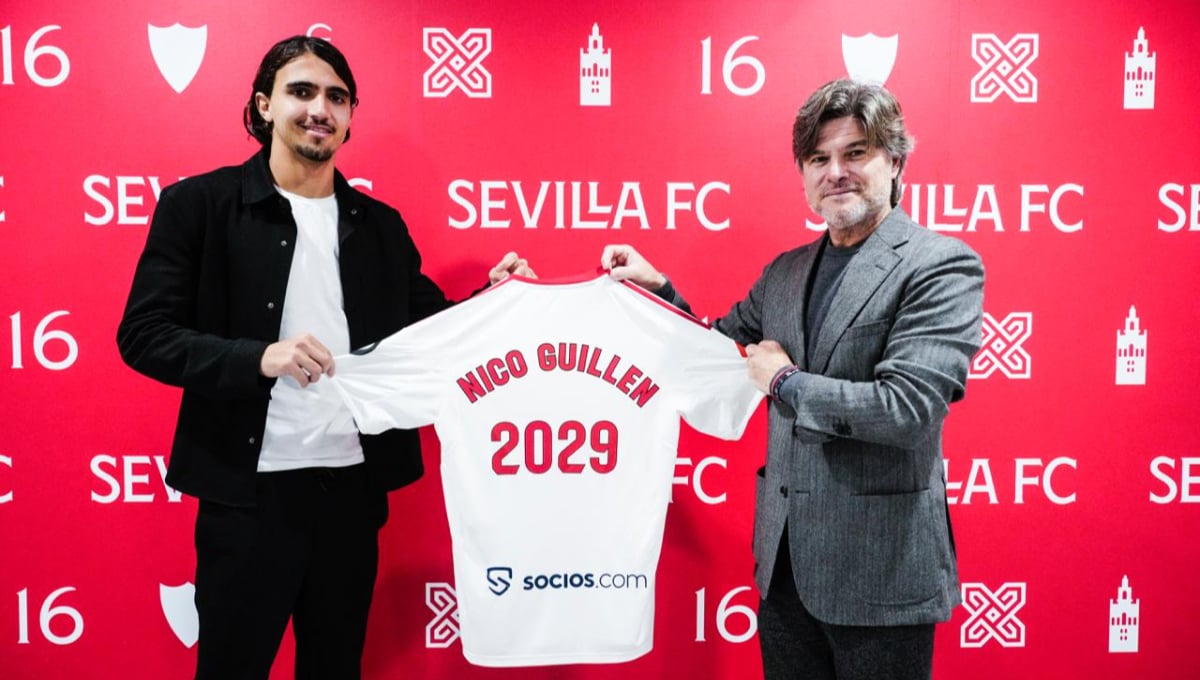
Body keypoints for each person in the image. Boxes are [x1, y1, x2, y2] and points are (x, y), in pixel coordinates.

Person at [116, 35, 531, 680]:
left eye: (337, 97)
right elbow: (144, 334)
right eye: (302, 92)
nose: (320, 109)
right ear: (264, 105)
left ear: (350, 114)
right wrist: (259, 357)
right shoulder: (199, 206)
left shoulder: (380, 225)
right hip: (247, 497)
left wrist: (493, 301)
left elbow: (430, 329)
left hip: (349, 494)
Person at [601, 78, 984, 679]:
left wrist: (786, 384)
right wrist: (661, 291)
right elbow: (720, 352)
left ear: (894, 161)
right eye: (818, 159)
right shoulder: (785, 272)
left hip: (881, 576)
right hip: (784, 570)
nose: (836, 172)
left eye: (855, 153)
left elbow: (908, 409)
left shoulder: (939, 264)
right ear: (803, 175)